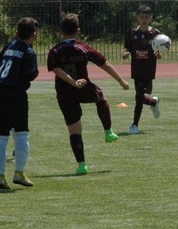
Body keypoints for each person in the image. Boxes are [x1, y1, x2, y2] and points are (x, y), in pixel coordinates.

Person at [47, 13, 129, 176]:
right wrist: (121, 80)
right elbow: (104, 64)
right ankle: (108, 132)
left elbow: (56, 69)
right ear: (78, 31)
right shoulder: (83, 47)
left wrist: (71, 82)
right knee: (100, 97)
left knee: (74, 129)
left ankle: (82, 165)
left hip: (64, 92)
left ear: (61, 32)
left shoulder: (54, 50)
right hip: (83, 87)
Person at [0, 17, 40, 190]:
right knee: (22, 134)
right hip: (16, 94)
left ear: (17, 32)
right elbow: (29, 74)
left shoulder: (9, 46)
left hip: (0, 92)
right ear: (34, 34)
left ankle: (0, 176)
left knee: (1, 136)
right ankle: (19, 172)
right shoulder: (29, 52)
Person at [121, 5, 162, 134]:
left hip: (149, 70)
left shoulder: (155, 34)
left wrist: (159, 55)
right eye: (142, 17)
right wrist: (126, 53)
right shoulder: (132, 32)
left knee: (141, 96)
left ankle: (152, 103)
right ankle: (135, 124)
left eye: (146, 17)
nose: (144, 19)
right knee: (139, 96)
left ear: (151, 18)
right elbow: (127, 47)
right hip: (137, 69)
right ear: (137, 18)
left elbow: (159, 51)